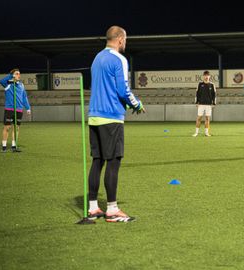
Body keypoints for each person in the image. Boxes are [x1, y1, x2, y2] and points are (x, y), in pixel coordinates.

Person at [87, 26, 145, 223]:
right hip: (111, 117)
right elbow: (123, 90)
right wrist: (137, 104)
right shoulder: (119, 59)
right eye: (125, 39)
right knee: (113, 161)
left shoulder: (96, 58)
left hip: (94, 116)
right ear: (120, 39)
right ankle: (112, 209)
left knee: (97, 161)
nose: (126, 43)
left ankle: (93, 207)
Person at [0, 69, 31, 153]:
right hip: (10, 109)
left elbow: (24, 97)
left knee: (16, 128)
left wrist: (27, 108)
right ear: (13, 75)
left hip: (19, 109)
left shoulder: (21, 85)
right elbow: (1, 81)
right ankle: (4, 146)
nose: (19, 75)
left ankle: (14, 146)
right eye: (16, 74)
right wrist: (10, 76)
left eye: (19, 74)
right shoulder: (7, 84)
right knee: (7, 127)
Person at [193, 70, 216, 137]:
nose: (206, 77)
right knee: (199, 118)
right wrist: (196, 102)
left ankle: (206, 133)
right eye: (205, 76)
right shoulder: (200, 84)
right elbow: (197, 94)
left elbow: (214, 95)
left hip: (208, 104)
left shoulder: (212, 85)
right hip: (201, 104)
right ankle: (196, 133)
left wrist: (214, 103)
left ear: (209, 76)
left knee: (207, 118)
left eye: (207, 76)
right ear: (203, 76)